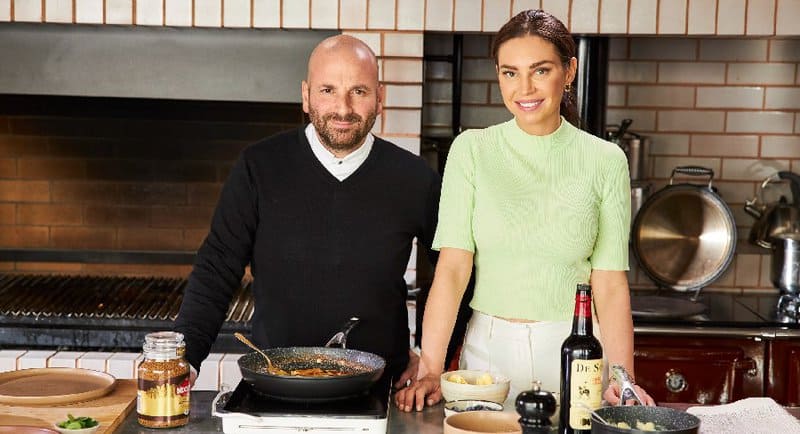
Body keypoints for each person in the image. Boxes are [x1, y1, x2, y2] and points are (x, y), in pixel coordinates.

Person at [394, 9, 655, 412]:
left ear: (569, 71)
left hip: (577, 357)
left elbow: (610, 284)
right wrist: (430, 366)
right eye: (510, 73)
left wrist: (624, 380)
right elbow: (452, 269)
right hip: (487, 359)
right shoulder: (472, 151)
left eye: (540, 70)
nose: (524, 88)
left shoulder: (605, 160)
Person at [173, 35, 441, 390]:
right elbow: (217, 267)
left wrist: (430, 352)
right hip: (275, 383)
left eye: (358, 92)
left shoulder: (415, 177)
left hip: (382, 387)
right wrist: (184, 356)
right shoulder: (259, 167)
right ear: (305, 95)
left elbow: (454, 271)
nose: (343, 109)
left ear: (380, 96)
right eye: (327, 90)